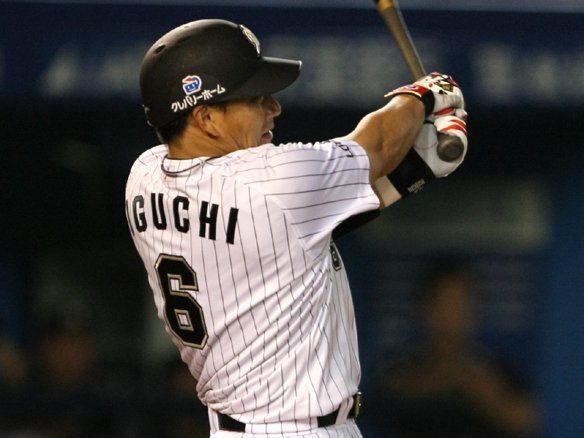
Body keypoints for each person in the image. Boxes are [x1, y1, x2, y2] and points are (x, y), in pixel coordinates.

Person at [125, 18, 468, 437]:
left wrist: (411, 172)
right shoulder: (267, 180)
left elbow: (295, 236)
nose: (274, 108)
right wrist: (426, 94)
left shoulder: (144, 177)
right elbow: (378, 143)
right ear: (206, 117)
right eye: (255, 99)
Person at [369, 262, 541, 437]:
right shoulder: (401, 370)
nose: (458, 314)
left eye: (464, 303)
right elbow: (381, 404)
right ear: (428, 309)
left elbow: (528, 420)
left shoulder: (496, 369)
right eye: (449, 304)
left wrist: (488, 398)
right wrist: (445, 379)